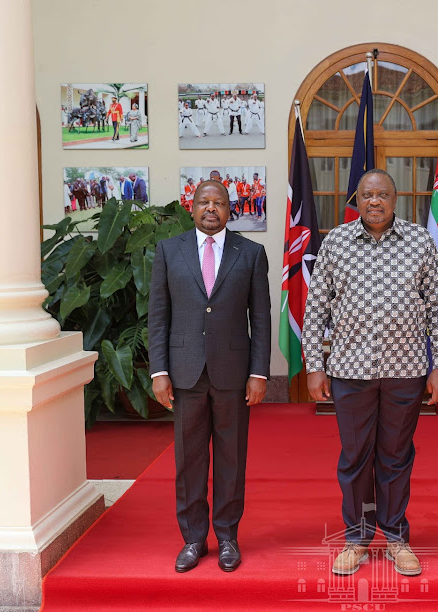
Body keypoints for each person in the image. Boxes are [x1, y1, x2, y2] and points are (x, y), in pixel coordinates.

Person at [302, 169, 438, 578]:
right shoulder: (336, 241)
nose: (374, 201)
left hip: (405, 371)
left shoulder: (419, 241)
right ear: (358, 198)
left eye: (382, 194)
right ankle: (355, 538)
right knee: (355, 457)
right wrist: (314, 366)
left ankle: (395, 537)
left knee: (396, 457)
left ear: (395, 198)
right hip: (350, 372)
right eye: (367, 195)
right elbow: (316, 308)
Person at [148, 180, 271, 574]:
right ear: (192, 207)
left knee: (232, 459)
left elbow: (262, 319)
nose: (211, 208)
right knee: (189, 461)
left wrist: (259, 372)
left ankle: (228, 537)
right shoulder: (170, 251)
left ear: (230, 209)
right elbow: (158, 314)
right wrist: (160, 370)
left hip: (234, 374)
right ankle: (193, 539)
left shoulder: (250, 253)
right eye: (205, 202)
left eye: (219, 202)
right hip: (184, 373)